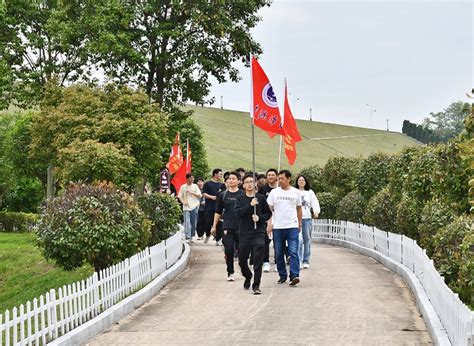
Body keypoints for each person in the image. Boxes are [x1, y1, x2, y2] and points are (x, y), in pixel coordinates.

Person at [235, 173, 272, 295]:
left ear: (255, 183)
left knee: (258, 259)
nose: (250, 184)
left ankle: (256, 285)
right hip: (245, 233)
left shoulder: (261, 198)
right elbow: (239, 213)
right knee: (242, 260)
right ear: (243, 185)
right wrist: (250, 205)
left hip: (259, 232)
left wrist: (260, 218)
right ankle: (248, 275)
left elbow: (268, 213)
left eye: (252, 181)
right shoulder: (240, 198)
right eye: (247, 182)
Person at [267, 169, 302, 286]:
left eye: (282, 179)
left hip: (292, 226)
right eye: (278, 179)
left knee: (293, 251)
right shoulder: (274, 193)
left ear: (289, 179)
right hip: (278, 227)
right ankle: (282, 275)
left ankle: (294, 275)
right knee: (278, 253)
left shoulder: (296, 192)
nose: (279, 181)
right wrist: (270, 223)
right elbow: (269, 210)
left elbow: (299, 208)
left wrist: (299, 223)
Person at [211, 172, 244, 281]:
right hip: (227, 226)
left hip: (241, 227)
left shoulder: (243, 194)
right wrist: (214, 226)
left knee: (242, 250)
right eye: (229, 179)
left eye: (233, 179)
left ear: (239, 181)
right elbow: (218, 211)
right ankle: (230, 272)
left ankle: (243, 268)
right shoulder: (223, 195)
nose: (231, 181)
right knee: (229, 250)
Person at [295, 175, 320, 268]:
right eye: (299, 180)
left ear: (306, 182)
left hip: (307, 218)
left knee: (307, 239)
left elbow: (315, 202)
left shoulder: (310, 192)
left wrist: (316, 211)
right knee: (299, 239)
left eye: (303, 180)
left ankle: (306, 260)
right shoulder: (294, 191)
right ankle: (299, 259)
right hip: (296, 218)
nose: (301, 182)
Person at [257, 168, 279, 272]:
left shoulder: (280, 188)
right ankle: (265, 262)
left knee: (278, 241)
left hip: (279, 218)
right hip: (266, 218)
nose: (271, 177)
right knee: (265, 241)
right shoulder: (263, 189)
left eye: (273, 175)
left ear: (277, 176)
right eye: (269, 175)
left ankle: (278, 261)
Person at [177, 173, 202, 242]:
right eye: (191, 178)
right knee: (187, 222)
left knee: (193, 222)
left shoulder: (195, 186)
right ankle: (187, 236)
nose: (192, 179)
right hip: (186, 207)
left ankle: (192, 236)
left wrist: (192, 193)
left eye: (193, 178)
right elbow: (179, 196)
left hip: (194, 206)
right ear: (187, 179)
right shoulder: (183, 187)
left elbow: (200, 195)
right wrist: (183, 202)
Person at [202, 168, 224, 243]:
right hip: (209, 207)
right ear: (215, 174)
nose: (221, 175)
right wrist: (211, 197)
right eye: (220, 174)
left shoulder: (222, 185)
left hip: (218, 208)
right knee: (207, 223)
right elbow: (203, 194)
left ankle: (218, 239)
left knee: (219, 224)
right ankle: (208, 234)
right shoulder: (207, 184)